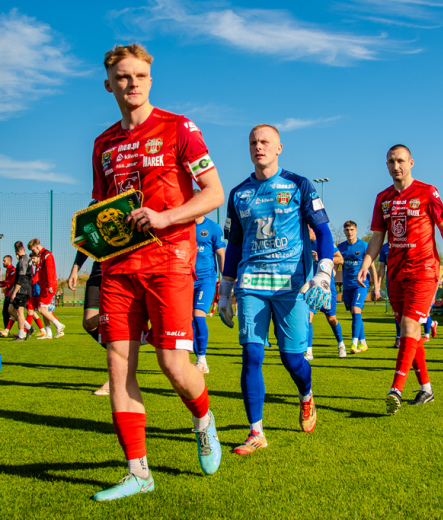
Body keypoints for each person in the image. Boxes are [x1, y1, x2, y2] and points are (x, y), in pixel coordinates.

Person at [90, 44, 224, 501]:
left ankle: (203, 419)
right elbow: (101, 202)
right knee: (119, 364)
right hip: (119, 268)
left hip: (170, 260)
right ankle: (138, 472)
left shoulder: (178, 128)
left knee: (172, 364)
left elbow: (213, 193)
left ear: (151, 79)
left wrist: (166, 217)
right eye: (123, 77)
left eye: (139, 76)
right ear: (109, 84)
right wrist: (92, 224)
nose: (132, 84)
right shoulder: (103, 144)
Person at [219, 124, 333, 455]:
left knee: (292, 359)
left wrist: (324, 271)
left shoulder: (299, 184)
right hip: (252, 284)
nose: (259, 147)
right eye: (253, 142)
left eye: (265, 141)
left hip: (292, 285)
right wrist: (225, 290)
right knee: (252, 354)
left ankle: (306, 395)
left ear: (279, 147)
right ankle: (256, 432)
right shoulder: (238, 193)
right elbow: (235, 244)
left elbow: (323, 232)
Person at [358, 144, 443, 414]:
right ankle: (426, 388)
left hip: (424, 270)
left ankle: (396, 388)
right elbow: (378, 238)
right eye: (391, 161)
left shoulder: (428, 192)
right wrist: (366, 264)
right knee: (412, 333)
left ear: (412, 162)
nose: (396, 166)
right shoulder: (383, 198)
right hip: (396, 271)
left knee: (409, 326)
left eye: (401, 161)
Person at [68, 236, 109, 395]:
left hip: (118, 269)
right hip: (98, 269)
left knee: (112, 323)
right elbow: (85, 240)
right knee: (89, 322)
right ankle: (124, 352)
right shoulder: (91, 210)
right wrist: (75, 269)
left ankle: (117, 374)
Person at [193, 212, 226, 374]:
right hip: (184, 280)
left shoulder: (213, 227)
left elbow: (221, 254)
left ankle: (202, 360)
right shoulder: (182, 226)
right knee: (187, 321)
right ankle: (195, 358)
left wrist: (225, 281)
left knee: (198, 316)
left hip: (206, 280)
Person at [338, 221, 378, 353]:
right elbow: (336, 265)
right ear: (344, 231)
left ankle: (353, 343)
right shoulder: (341, 247)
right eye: (347, 230)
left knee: (356, 310)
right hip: (347, 286)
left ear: (356, 230)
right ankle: (363, 342)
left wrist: (376, 286)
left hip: (361, 284)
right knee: (355, 314)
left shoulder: (364, 246)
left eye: (352, 229)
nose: (349, 232)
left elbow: (372, 267)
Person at [308, 229, 345, 359]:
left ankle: (341, 345)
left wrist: (321, 257)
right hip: (311, 287)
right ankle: (309, 351)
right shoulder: (303, 243)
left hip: (326, 287)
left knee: (331, 318)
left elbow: (340, 259)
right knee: (308, 316)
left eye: (307, 229)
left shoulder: (325, 242)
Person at [28, 239, 65, 339]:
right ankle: (48, 333)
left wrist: (49, 285)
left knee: (41, 309)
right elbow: (39, 273)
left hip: (49, 285)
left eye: (32, 250)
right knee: (43, 309)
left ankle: (59, 325)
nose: (32, 252)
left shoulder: (47, 255)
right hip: (44, 286)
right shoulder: (42, 256)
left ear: (37, 247)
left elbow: (50, 270)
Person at [377, 241, 402, 348]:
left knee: (409, 311)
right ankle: (399, 337)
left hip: (407, 280)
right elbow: (382, 268)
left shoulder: (406, 243)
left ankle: (412, 337)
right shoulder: (384, 248)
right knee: (397, 312)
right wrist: (377, 285)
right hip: (391, 283)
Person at [8, 242, 32, 342]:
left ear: (16, 251)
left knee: (19, 313)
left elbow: (21, 278)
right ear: (23, 248)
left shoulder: (22, 261)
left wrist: (14, 292)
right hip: (25, 289)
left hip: (22, 290)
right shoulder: (27, 259)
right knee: (11, 309)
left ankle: (21, 335)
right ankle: (29, 328)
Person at [0, 255, 17, 337]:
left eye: (4, 260)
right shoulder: (8, 270)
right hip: (7, 294)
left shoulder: (13, 270)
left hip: (11, 295)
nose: (3, 262)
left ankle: (26, 327)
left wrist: (6, 286)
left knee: (11, 313)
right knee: (7, 313)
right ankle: (6, 330)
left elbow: (11, 282)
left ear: (9, 261)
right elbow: (6, 282)